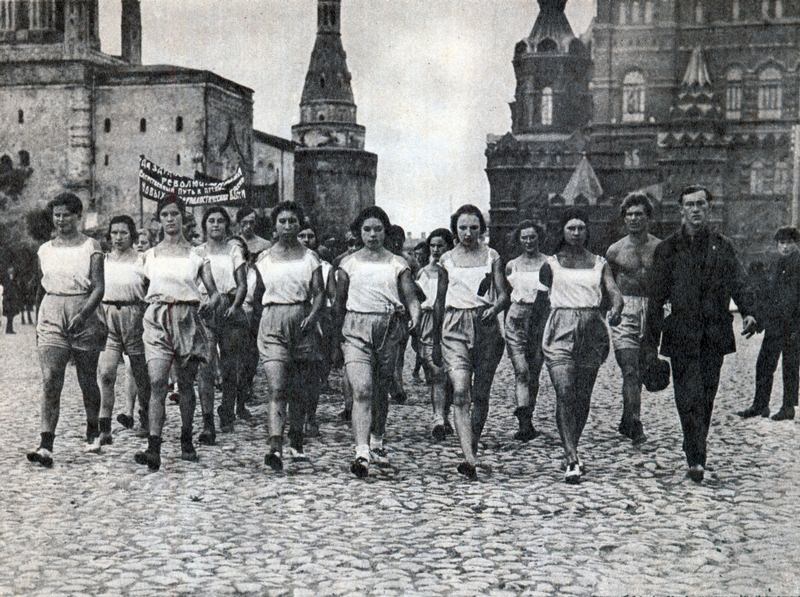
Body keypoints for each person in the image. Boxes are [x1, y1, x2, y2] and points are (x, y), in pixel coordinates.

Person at [643, 185, 757, 483]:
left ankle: (694, 443)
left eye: (701, 205)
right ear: (681, 209)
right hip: (680, 333)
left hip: (714, 333)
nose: (695, 210)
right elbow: (655, 299)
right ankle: (696, 455)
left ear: (709, 209)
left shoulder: (723, 246)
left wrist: (749, 312)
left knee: (706, 395)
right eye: (690, 205)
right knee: (687, 396)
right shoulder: (667, 249)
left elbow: (739, 282)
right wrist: (649, 345)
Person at [133, 194, 222, 471]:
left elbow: (214, 291)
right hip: (158, 317)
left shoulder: (197, 255)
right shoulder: (149, 255)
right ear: (159, 220)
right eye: (165, 215)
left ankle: (186, 438)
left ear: (184, 218)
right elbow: (140, 288)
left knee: (185, 383)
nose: (170, 220)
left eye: (175, 214)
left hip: (187, 318)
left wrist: (210, 302)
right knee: (158, 380)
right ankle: (154, 447)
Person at [537, 207, 624, 483]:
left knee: (582, 395)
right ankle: (571, 457)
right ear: (562, 231)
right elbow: (544, 294)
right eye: (571, 228)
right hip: (560, 327)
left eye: (581, 228)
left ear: (588, 231)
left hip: (592, 329)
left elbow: (612, 291)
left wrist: (617, 307)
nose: (576, 233)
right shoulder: (550, 264)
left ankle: (573, 444)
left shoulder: (599, 262)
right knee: (564, 391)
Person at [334, 206, 421, 478]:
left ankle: (378, 439)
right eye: (367, 229)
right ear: (359, 233)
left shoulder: (398, 264)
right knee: (362, 388)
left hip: (388, 328)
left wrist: (415, 316)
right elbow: (339, 302)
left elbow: (410, 298)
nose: (372, 234)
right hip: (356, 327)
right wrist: (337, 335)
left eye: (378, 229)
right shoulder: (347, 264)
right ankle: (361, 452)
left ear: (386, 231)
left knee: (381, 388)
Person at [27, 192, 107, 467]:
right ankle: (46, 443)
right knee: (51, 379)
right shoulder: (45, 250)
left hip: (83, 310)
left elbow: (99, 287)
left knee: (86, 378)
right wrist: (39, 321)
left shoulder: (91, 247)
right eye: (57, 215)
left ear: (77, 216)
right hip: (52, 311)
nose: (61, 220)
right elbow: (41, 286)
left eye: (66, 215)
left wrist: (84, 315)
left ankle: (93, 428)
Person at [438, 204, 509, 479]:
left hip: (486, 325)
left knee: (480, 394)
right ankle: (468, 457)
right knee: (459, 391)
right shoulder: (446, 259)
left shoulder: (492, 256)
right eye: (463, 228)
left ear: (482, 229)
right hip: (454, 325)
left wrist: (495, 308)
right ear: (455, 229)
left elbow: (503, 293)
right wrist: (434, 340)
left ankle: (472, 444)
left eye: (474, 228)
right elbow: (440, 299)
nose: (468, 233)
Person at [255, 202, 325, 470]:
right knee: (277, 386)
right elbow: (258, 291)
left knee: (299, 389)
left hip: (303, 321)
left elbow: (319, 291)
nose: (287, 226)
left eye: (292, 221)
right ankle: (275, 447)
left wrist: (313, 315)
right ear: (274, 225)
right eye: (282, 221)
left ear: (299, 224)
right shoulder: (264, 259)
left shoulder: (310, 258)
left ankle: (296, 441)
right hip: (273, 320)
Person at [605, 193, 661, 444]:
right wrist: (613, 307)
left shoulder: (660, 248)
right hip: (625, 308)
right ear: (624, 218)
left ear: (648, 217)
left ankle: (628, 416)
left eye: (639, 214)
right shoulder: (615, 250)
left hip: (652, 310)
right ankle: (636, 422)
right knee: (629, 369)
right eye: (630, 214)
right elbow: (607, 284)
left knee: (642, 367)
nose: (634, 219)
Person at [96, 216, 151, 445]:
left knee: (140, 372)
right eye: (114, 233)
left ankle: (146, 417)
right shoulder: (103, 260)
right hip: (107, 316)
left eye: (123, 233)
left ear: (132, 236)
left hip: (134, 315)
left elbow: (151, 288)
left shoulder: (142, 260)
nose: (118, 238)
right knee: (107, 373)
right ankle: (105, 427)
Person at [196, 207, 248, 444]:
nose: (215, 225)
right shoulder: (197, 252)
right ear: (204, 225)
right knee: (205, 365)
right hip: (204, 308)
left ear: (227, 225)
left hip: (228, 304)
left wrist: (235, 306)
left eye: (220, 221)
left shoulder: (234, 250)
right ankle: (207, 421)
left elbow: (242, 283)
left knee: (230, 364)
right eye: (211, 221)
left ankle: (227, 408)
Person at [737, 226, 800, 422]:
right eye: (782, 243)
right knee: (764, 364)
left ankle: (788, 407)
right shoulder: (776, 264)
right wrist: (758, 320)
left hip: (793, 327)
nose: (785, 247)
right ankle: (760, 405)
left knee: (790, 367)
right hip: (775, 325)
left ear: (796, 244)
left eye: (789, 242)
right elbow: (768, 297)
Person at [504, 220, 549, 442]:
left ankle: (528, 417)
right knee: (521, 370)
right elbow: (504, 295)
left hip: (540, 319)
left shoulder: (550, 263)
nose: (529, 241)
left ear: (539, 238)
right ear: (519, 240)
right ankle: (523, 421)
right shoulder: (512, 265)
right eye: (524, 238)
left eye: (532, 237)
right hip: (516, 319)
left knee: (534, 371)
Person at [297, 223, 335, 436]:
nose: (306, 239)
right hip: (293, 318)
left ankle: (310, 416)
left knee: (312, 371)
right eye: (302, 235)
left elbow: (331, 294)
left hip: (319, 320)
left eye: (310, 235)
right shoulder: (289, 262)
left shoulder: (326, 267)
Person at [416, 228, 453, 441]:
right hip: (429, 322)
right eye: (433, 245)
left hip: (451, 319)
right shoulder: (424, 272)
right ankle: (438, 417)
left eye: (441, 245)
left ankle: (445, 414)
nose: (437, 249)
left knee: (451, 375)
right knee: (437, 371)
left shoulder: (453, 270)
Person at [117, 229, 153, 432]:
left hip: (147, 320)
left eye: (144, 242)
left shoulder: (149, 264)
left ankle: (145, 413)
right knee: (131, 366)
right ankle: (129, 412)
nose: (140, 246)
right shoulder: (129, 265)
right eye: (137, 242)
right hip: (131, 321)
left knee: (141, 370)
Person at [236, 206, 272, 407]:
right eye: (244, 222)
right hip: (239, 297)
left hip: (257, 297)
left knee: (252, 348)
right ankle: (236, 386)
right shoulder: (233, 244)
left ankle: (247, 383)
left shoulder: (265, 245)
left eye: (251, 222)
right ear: (238, 223)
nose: (248, 226)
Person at [411, 241, 431, 381]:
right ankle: (418, 370)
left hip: (432, 311)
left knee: (425, 343)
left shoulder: (432, 269)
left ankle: (424, 371)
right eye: (416, 255)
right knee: (417, 343)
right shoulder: (417, 271)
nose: (419, 258)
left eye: (421, 255)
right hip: (420, 311)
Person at [2, 265, 21, 334]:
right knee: (9, 315)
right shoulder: (7, 280)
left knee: (11, 316)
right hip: (8, 300)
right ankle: (8, 329)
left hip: (11, 299)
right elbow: (8, 290)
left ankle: (9, 329)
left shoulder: (12, 280)